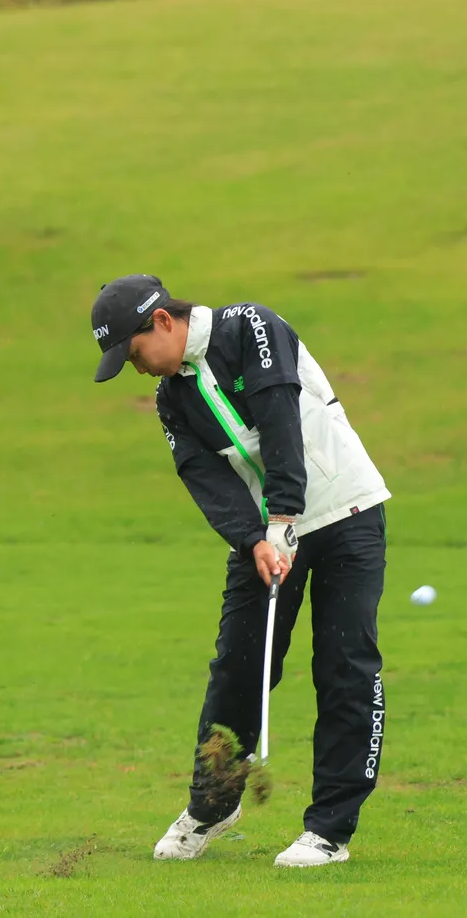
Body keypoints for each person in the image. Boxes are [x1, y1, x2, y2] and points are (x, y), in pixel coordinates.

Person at [89, 274, 390, 868]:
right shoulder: (171, 398)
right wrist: (253, 539)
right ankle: (212, 805)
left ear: (163, 322)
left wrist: (283, 515)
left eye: (134, 353)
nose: (137, 368)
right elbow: (204, 477)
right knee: (237, 667)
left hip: (346, 514)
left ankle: (329, 829)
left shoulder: (250, 327)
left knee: (344, 667)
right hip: (266, 537)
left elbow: (280, 420)